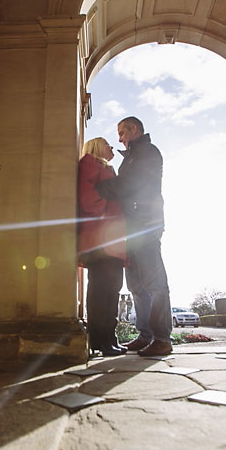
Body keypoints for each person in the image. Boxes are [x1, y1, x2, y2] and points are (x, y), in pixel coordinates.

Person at [97, 116, 173, 356]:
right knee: (136, 285)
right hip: (130, 226)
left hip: (146, 224)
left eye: (122, 132)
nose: (119, 138)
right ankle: (146, 335)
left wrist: (97, 186)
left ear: (135, 129)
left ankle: (162, 338)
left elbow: (130, 184)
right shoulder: (131, 156)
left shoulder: (148, 152)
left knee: (155, 282)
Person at [78, 137, 127, 356]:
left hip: (112, 240)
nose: (111, 146)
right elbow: (87, 197)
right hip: (99, 239)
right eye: (107, 143)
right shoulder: (90, 162)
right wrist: (106, 212)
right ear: (97, 147)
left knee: (113, 290)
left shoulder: (106, 167)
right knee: (101, 292)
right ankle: (100, 341)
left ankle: (110, 338)